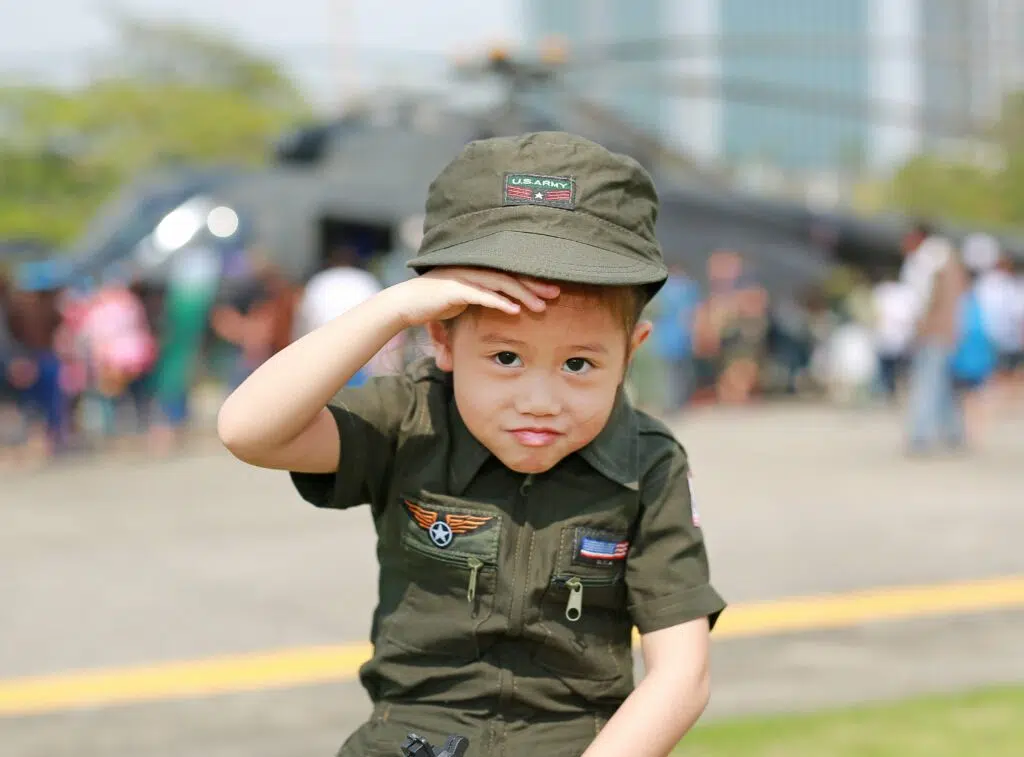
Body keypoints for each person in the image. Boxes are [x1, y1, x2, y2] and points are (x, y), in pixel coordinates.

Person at [218, 132, 726, 757]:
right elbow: (248, 430)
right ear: (445, 341)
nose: (540, 398)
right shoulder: (411, 418)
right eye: (506, 357)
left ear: (631, 353)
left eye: (579, 365)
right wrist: (390, 308)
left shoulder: (648, 462)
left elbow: (682, 674)